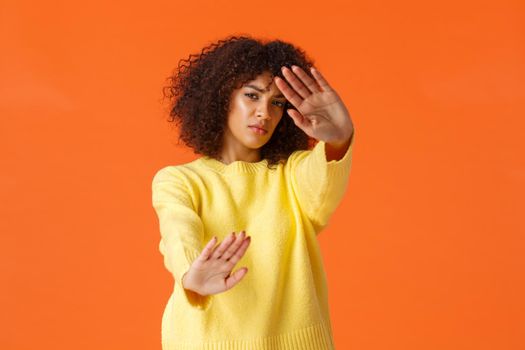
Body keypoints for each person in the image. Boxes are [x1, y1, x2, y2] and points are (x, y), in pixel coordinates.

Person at [151, 34, 355, 350]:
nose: (265, 113)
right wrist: (191, 274)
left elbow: (325, 187)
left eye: (277, 103)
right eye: (252, 95)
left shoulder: (293, 175)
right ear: (220, 98)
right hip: (205, 342)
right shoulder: (180, 180)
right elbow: (178, 232)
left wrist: (339, 139)